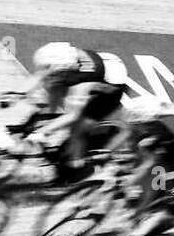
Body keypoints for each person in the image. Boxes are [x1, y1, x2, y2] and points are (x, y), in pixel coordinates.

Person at [12, 43, 129, 180]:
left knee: (78, 128)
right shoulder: (64, 58)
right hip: (101, 68)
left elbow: (73, 115)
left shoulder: (82, 81)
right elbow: (41, 74)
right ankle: (48, 117)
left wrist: (41, 132)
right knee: (51, 85)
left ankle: (76, 166)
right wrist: (15, 94)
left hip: (109, 93)